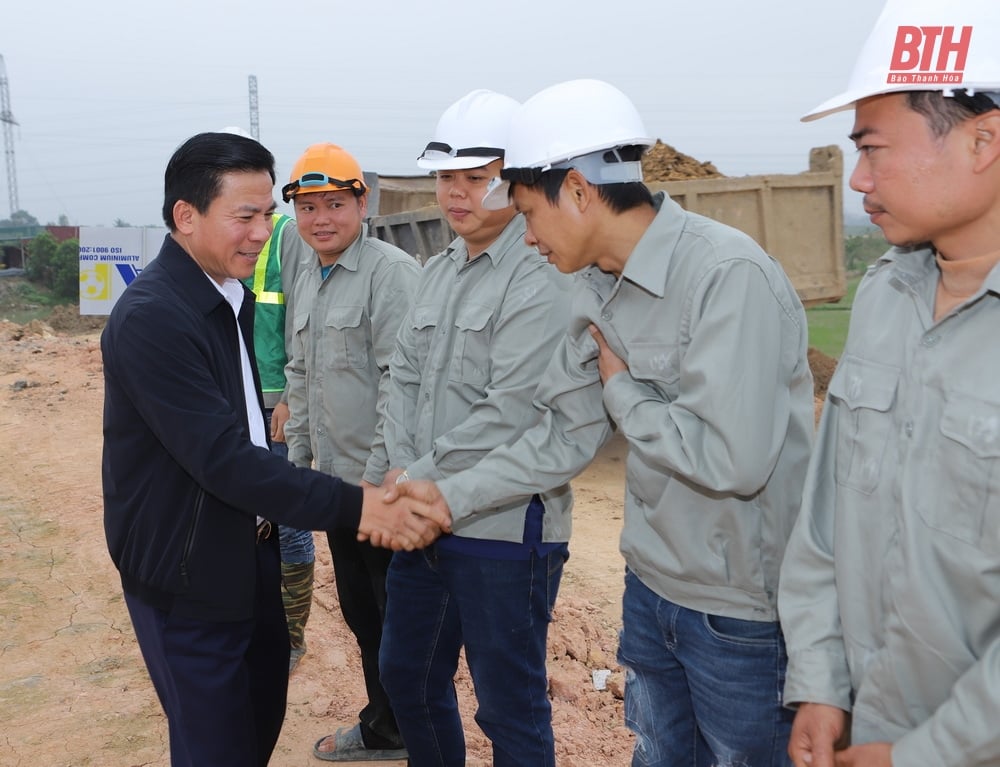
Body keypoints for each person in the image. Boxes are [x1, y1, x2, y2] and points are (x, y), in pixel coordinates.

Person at [392, 79, 814, 767]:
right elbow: (560, 433)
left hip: (738, 613)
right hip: (651, 590)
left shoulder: (724, 276)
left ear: (580, 191)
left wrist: (625, 396)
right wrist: (446, 495)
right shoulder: (596, 287)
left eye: (529, 212)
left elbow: (731, 458)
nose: (526, 237)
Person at [101, 131, 448, 767]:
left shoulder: (222, 293)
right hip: (189, 571)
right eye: (246, 216)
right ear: (186, 215)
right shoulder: (155, 317)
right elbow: (225, 460)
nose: (266, 233)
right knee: (217, 742)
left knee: (257, 719)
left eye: (268, 215)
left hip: (247, 551)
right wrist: (360, 505)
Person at [776, 2, 1000, 766]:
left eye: (874, 149)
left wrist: (923, 754)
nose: (861, 179)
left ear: (983, 139)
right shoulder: (884, 297)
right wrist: (821, 681)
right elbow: (828, 518)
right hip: (865, 722)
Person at [376, 89, 574, 767]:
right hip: (421, 518)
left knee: (508, 707)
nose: (455, 194)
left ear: (513, 180)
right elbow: (401, 378)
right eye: (445, 177)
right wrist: (403, 473)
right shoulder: (437, 272)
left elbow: (513, 407)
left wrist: (416, 477)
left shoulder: (540, 272)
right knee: (407, 673)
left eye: (474, 177)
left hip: (502, 529)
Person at [278, 143, 420, 762]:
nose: (321, 219)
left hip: (384, 490)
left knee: (401, 623)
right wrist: (297, 472)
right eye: (307, 207)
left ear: (363, 202)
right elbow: (302, 374)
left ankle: (419, 734)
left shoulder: (391, 274)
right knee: (366, 617)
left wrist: (372, 486)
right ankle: (385, 728)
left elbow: (402, 385)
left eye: (335, 203)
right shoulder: (308, 272)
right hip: (339, 490)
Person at [239, 209, 317, 673]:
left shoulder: (285, 235)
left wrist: (290, 397)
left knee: (288, 521)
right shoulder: (213, 235)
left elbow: (302, 319)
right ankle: (254, 625)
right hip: (236, 397)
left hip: (273, 402)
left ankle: (291, 637)